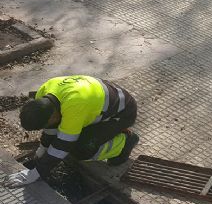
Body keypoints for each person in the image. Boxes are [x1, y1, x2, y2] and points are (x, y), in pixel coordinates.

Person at [3, 75, 140, 188]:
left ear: (52, 116)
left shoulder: (74, 107)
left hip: (123, 113)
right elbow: (50, 128)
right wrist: (43, 148)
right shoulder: (43, 93)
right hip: (101, 100)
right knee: (64, 133)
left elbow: (63, 145)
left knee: (80, 149)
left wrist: (37, 172)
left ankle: (125, 141)